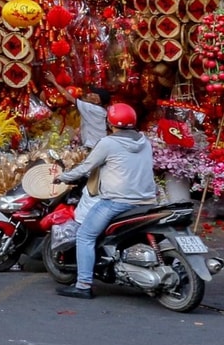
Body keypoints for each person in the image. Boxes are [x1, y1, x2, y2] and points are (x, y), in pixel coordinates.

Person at [56, 101, 157, 299]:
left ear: (110, 123)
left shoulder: (108, 143)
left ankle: (83, 285)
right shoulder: (145, 142)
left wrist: (63, 177)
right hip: (147, 202)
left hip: (117, 202)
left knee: (85, 236)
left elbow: (86, 167)